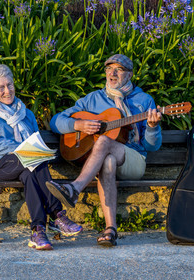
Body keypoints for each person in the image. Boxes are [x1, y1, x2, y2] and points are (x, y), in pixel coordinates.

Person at [46, 54, 162, 247]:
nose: (113, 73)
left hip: (133, 159)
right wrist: (78, 124)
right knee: (107, 159)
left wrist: (152, 127)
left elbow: (152, 146)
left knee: (103, 142)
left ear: (130, 75)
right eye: (109, 69)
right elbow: (55, 121)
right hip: (106, 160)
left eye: (119, 69)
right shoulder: (93, 99)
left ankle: (74, 189)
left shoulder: (144, 100)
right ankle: (110, 229)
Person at [0, 64, 82, 251]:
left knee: (31, 173)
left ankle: (38, 230)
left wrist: (31, 150)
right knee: (33, 158)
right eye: (1, 87)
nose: (7, 91)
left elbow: (35, 140)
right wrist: (22, 148)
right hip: (0, 166)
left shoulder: (27, 114)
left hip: (27, 166)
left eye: (10, 85)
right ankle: (57, 215)